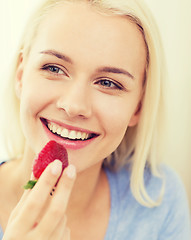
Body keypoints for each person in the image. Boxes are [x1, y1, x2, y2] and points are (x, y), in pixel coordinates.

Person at [0, 0, 190, 239]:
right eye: (54, 68)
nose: (73, 106)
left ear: (138, 106)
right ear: (21, 75)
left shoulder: (160, 199)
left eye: (108, 83)